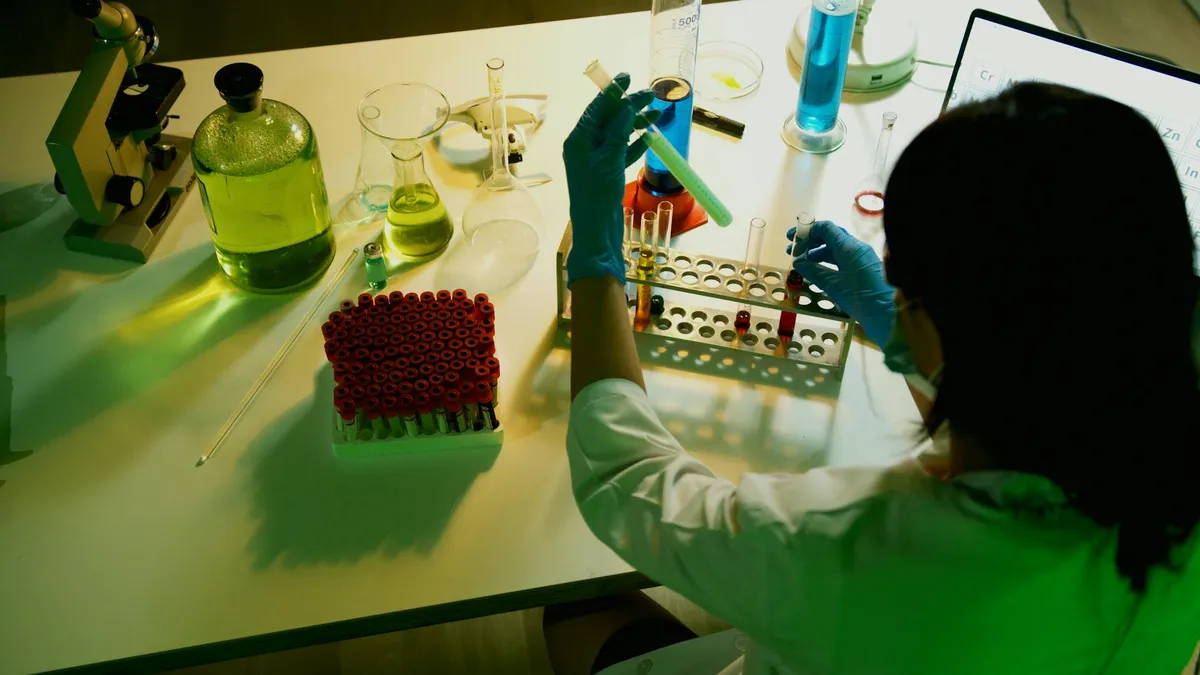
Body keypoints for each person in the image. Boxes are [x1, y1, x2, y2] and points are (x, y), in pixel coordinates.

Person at [553, 76, 1200, 675]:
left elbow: (628, 481)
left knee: (576, 616)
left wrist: (598, 259)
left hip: (859, 632)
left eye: (906, 289)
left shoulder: (844, 549)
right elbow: (1037, 397)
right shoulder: (1161, 458)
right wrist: (908, 332)